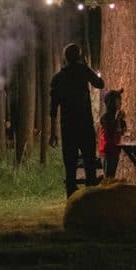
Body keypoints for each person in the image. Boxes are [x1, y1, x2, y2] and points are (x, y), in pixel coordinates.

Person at [49, 43, 105, 198]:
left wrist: (53, 133)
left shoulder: (58, 78)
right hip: (85, 126)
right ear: (79, 57)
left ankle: (72, 204)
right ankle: (91, 201)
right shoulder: (83, 71)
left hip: (68, 128)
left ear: (65, 58)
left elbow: (53, 109)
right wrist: (87, 68)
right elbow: (100, 84)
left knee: (70, 169)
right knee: (90, 166)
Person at [97, 89, 126, 178]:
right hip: (107, 151)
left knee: (112, 176)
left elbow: (122, 131)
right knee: (108, 177)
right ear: (112, 103)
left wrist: (121, 120)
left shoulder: (117, 116)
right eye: (118, 101)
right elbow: (109, 133)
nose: (121, 103)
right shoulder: (105, 117)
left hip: (115, 150)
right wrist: (117, 119)